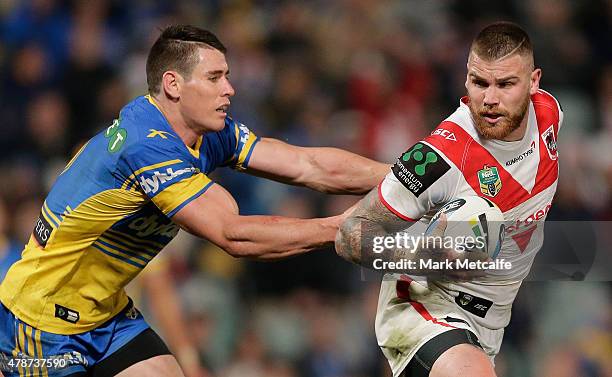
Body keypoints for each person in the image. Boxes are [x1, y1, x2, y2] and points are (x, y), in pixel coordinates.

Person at [0, 25, 389, 377]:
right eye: (215, 77)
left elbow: (308, 165)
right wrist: (341, 228)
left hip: (104, 314)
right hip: (41, 321)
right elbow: (233, 236)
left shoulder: (204, 132)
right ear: (173, 84)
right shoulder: (145, 146)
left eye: (228, 77)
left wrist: (409, 176)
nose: (229, 89)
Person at [336, 22, 562, 377]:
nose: (489, 98)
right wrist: (424, 256)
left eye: (505, 84)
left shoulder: (548, 113)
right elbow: (350, 233)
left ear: (533, 82)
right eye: (479, 82)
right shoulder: (439, 156)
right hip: (426, 305)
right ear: (466, 79)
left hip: (489, 322)